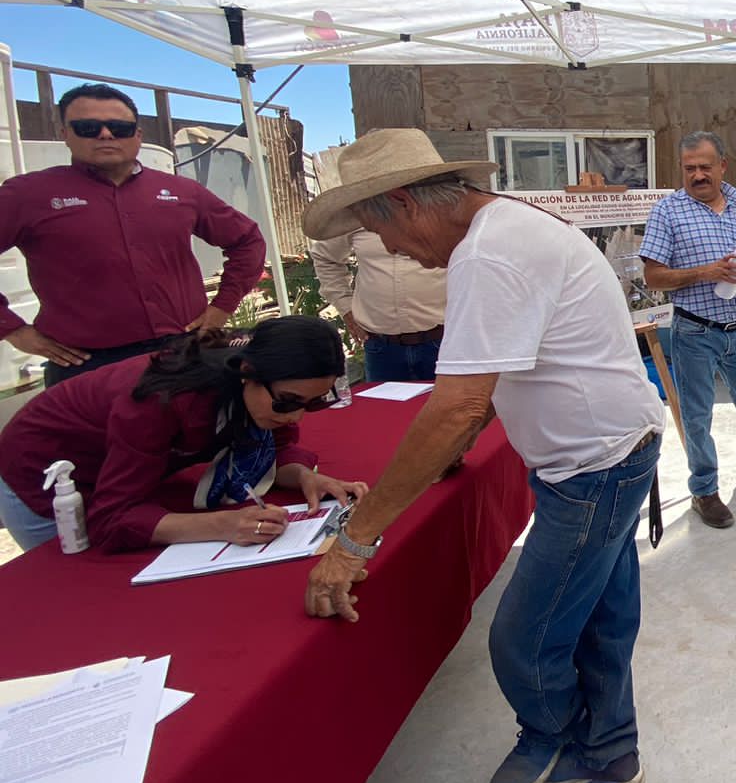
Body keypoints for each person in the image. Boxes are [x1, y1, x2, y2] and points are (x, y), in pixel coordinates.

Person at [298, 128, 666, 783]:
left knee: (524, 641)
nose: (400, 253)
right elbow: (505, 372)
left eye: (385, 238)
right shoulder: (502, 228)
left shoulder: (488, 251)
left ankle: (559, 738)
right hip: (613, 451)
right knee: (598, 620)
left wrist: (354, 541)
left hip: (593, 469)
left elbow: (460, 402)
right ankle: (610, 753)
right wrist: (454, 442)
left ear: (405, 205)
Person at [0, 317, 360, 552]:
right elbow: (110, 519)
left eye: (312, 405)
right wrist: (223, 524)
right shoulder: (162, 401)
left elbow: (274, 446)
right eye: (288, 402)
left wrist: (304, 477)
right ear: (248, 372)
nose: (295, 415)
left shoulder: (259, 379)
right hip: (46, 476)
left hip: (125, 472)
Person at [0, 83, 266, 385]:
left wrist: (222, 307)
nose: (105, 134)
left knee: (202, 432)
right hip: (88, 363)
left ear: (137, 135)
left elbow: (247, 241)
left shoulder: (180, 191)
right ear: (65, 134)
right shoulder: (28, 194)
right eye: (88, 127)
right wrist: (13, 331)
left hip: (185, 350)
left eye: (119, 127)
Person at [640, 131, 736, 529]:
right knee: (697, 416)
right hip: (695, 332)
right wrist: (705, 273)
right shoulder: (668, 211)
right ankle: (704, 490)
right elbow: (653, 276)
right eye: (690, 168)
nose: (698, 175)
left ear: (723, 165)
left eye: (706, 166)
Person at [310, 227, 447, 382]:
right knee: (384, 405)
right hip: (381, 346)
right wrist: (346, 307)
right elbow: (325, 258)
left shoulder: (442, 210)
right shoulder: (356, 214)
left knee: (453, 405)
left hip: (443, 341)